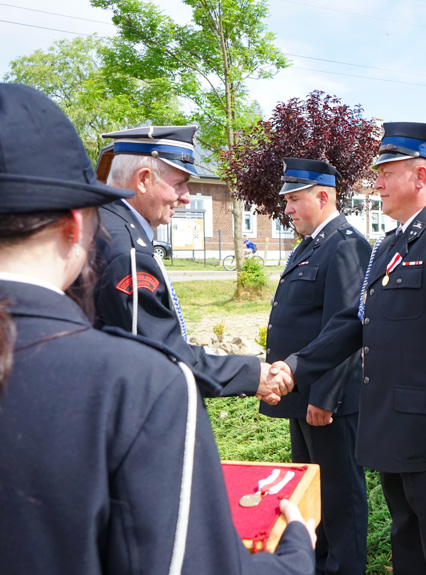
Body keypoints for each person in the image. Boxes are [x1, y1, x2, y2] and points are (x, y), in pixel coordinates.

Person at [0, 82, 315, 574]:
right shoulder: (141, 381)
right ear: (75, 225)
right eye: (181, 182)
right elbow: (154, 352)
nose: (188, 196)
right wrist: (294, 557)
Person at [272, 123, 426, 574]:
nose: (375, 184)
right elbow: (354, 323)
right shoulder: (392, 245)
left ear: (420, 176)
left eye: (385, 172)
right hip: (398, 437)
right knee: (410, 559)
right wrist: (295, 367)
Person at [93, 125, 290, 403]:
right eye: (179, 184)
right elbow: (161, 358)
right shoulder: (129, 251)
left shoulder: (103, 224)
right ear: (144, 180)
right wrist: (252, 374)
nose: (186, 196)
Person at [259, 158, 371, 574]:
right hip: (301, 397)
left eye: (293, 200)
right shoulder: (312, 245)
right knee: (311, 496)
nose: (286, 209)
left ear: (323, 196)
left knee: (340, 500)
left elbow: (345, 329)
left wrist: (325, 397)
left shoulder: (345, 245)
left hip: (327, 403)